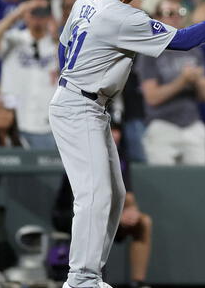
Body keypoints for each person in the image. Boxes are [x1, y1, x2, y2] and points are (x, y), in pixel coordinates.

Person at [48, 0, 205, 288]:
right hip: (80, 107)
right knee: (94, 194)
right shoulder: (121, 15)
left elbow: (63, 44)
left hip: (85, 102)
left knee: (115, 194)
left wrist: (76, 77)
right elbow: (185, 40)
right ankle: (81, 278)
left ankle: (90, 274)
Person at [52, 120, 153, 288]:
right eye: (110, 130)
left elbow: (127, 195)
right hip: (71, 214)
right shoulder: (82, 154)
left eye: (117, 131)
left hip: (107, 212)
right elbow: (85, 201)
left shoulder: (119, 157)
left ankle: (138, 282)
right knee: (96, 221)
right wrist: (116, 214)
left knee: (143, 223)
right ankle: (92, 281)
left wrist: (131, 212)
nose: (115, 135)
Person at [136, 0, 205, 165]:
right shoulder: (149, 51)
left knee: (200, 184)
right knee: (163, 182)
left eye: (180, 13)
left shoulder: (194, 49)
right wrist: (182, 80)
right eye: (170, 13)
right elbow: (152, 97)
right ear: (157, 19)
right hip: (162, 124)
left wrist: (198, 81)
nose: (176, 18)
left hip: (192, 123)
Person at [0, 0, 59, 149]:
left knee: (48, 173)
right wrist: (17, 14)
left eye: (43, 12)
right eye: (33, 12)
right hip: (13, 127)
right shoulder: (13, 38)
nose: (38, 17)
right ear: (25, 15)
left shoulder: (58, 45)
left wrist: (56, 30)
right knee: (11, 172)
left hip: (48, 127)